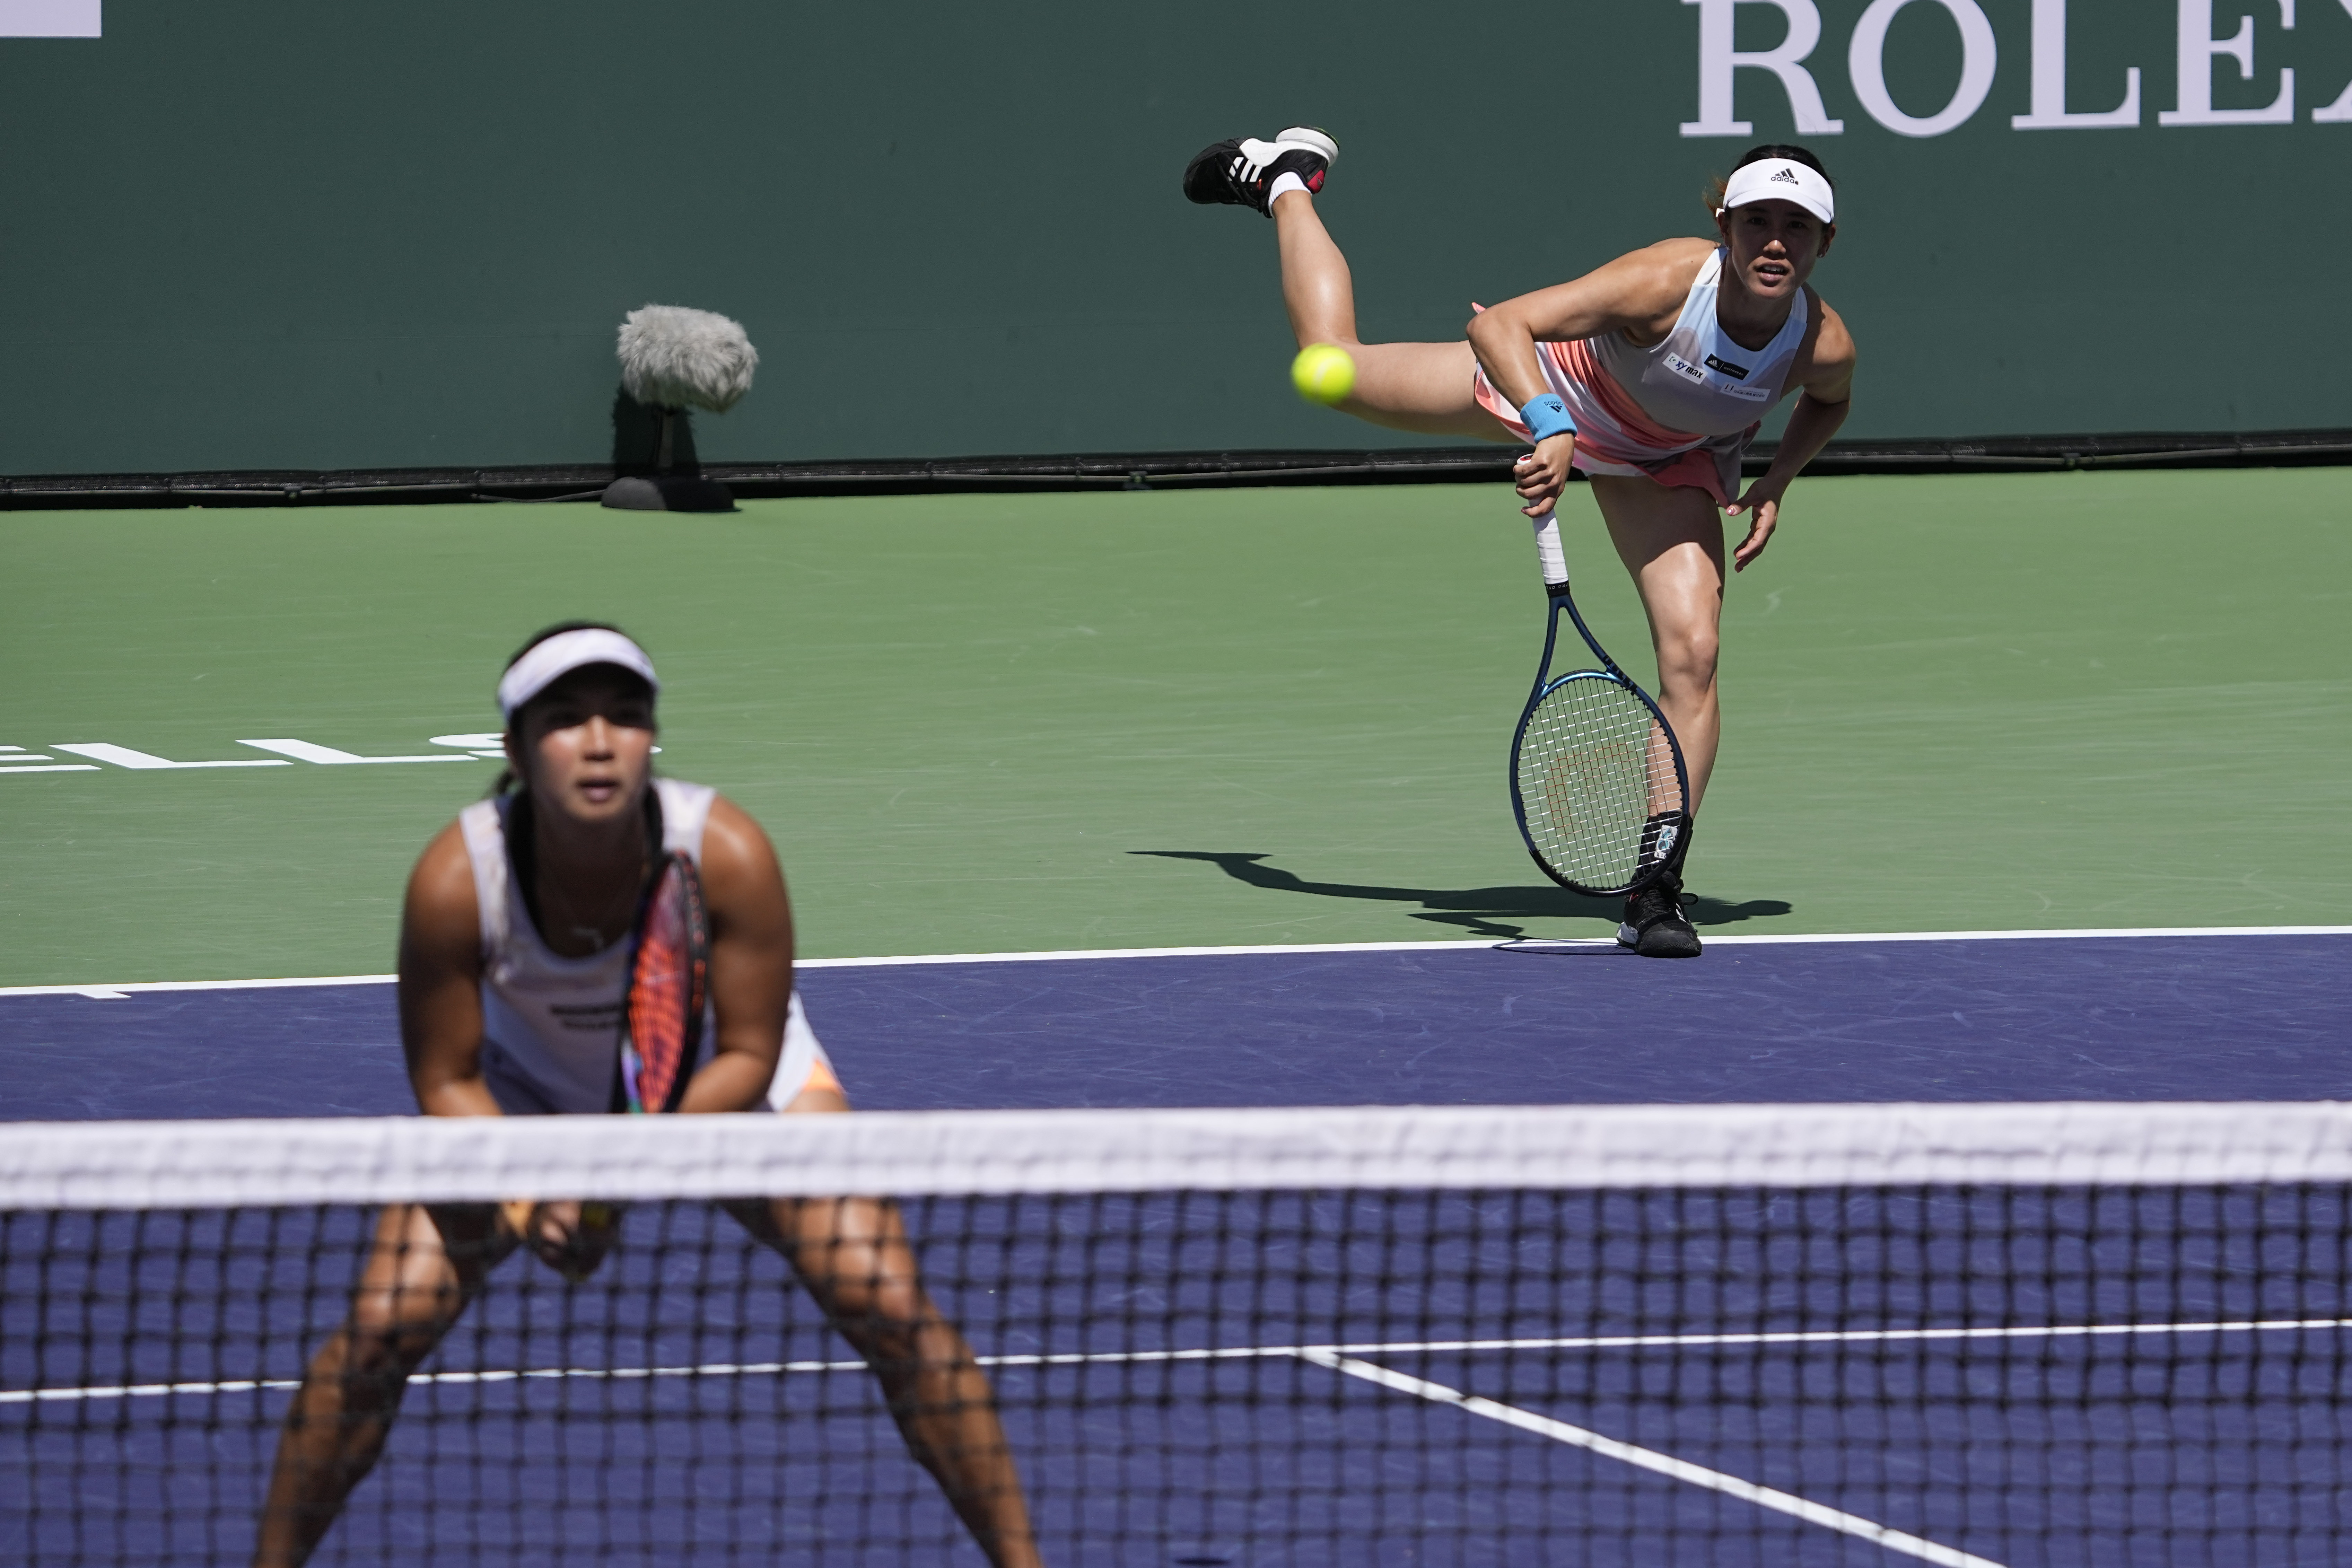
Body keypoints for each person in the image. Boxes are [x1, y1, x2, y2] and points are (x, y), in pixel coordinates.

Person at [253, 622, 1042, 1568]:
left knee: (886, 1296)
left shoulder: (728, 852)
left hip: (721, 1081)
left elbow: (750, 1050)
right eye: (566, 719)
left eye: (625, 717)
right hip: (522, 1093)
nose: (598, 739)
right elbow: (447, 1078)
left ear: (651, 738)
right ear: (514, 747)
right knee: (383, 1325)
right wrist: (526, 1189)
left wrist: (620, 1165)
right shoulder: (456, 880)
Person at [1183, 131, 1856, 958]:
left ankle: (1654, 888)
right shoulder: (1662, 283)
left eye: (1798, 225)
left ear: (1828, 240)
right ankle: (1286, 182)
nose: (1776, 242)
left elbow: (1829, 401)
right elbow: (1503, 325)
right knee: (1333, 365)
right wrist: (1550, 422)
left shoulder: (1820, 341)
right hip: (1555, 389)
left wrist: (1778, 479)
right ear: (1725, 225)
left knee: (1695, 654)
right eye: (1758, 221)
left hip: (1666, 462)